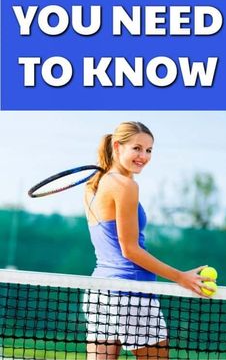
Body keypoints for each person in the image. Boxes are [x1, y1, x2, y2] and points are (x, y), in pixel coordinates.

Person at [83, 121, 211, 360]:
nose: (144, 156)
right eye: (137, 148)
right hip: (132, 291)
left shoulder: (93, 185)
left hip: (99, 292)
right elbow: (130, 250)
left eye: (149, 150)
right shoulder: (125, 185)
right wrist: (180, 277)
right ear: (117, 146)